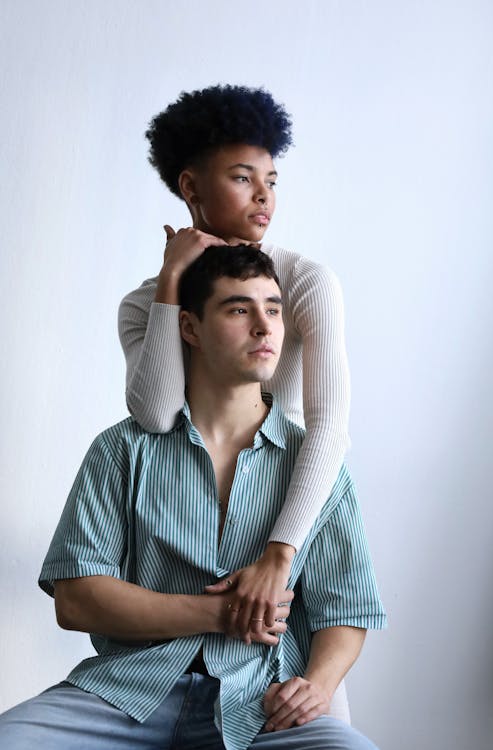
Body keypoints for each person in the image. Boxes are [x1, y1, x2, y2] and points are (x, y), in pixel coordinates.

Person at [0, 246, 386, 750]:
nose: (265, 327)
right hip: (125, 694)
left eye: (273, 308)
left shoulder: (315, 466)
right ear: (190, 328)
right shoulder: (122, 448)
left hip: (258, 706)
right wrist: (220, 614)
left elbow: (347, 608)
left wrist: (318, 686)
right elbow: (76, 600)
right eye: (239, 309)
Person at [118, 84, 352, 636]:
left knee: (313, 707)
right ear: (191, 187)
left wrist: (280, 553)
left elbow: (328, 427)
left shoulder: (305, 283)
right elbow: (156, 415)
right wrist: (173, 283)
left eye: (271, 181)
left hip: (300, 509)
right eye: (243, 178)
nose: (264, 197)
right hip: (195, 516)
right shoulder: (142, 305)